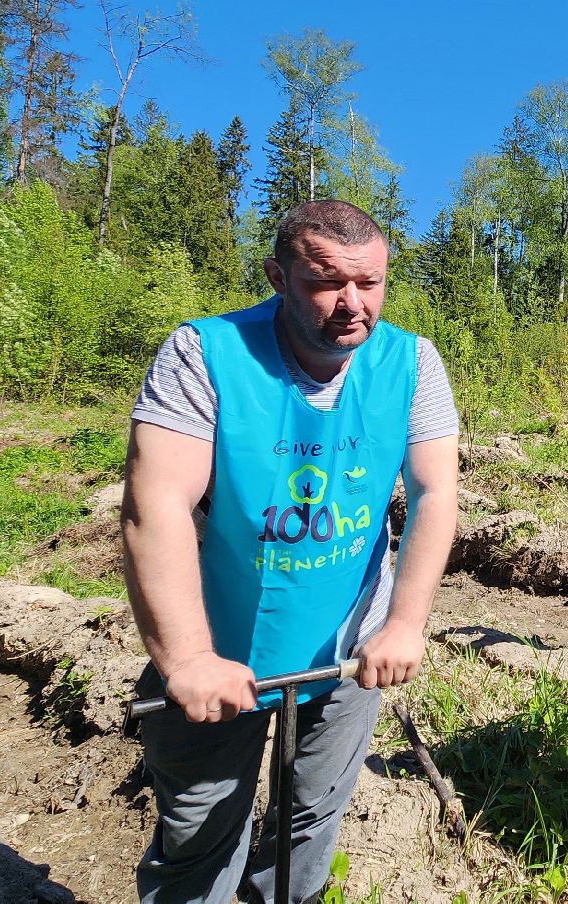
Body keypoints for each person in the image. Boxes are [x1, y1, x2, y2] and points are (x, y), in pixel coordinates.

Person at [122, 199, 460, 904]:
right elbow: (156, 504)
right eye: (325, 282)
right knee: (199, 831)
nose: (351, 304)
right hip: (218, 649)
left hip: (343, 655)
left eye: (369, 283)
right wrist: (185, 659)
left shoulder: (412, 363)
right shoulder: (204, 353)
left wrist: (402, 625)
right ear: (278, 276)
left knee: (308, 826)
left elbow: (433, 495)